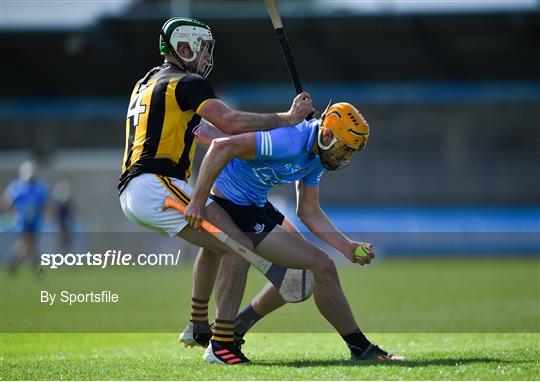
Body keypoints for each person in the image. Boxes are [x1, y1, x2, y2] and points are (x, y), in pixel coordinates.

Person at [118, 17, 313, 364]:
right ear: (183, 48)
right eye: (203, 47)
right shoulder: (189, 82)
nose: (207, 55)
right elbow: (231, 121)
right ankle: (223, 346)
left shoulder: (148, 81)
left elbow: (203, 129)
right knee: (238, 248)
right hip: (156, 185)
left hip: (145, 187)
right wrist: (287, 118)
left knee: (220, 240)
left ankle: (197, 325)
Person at [182, 102, 404, 363]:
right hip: (232, 207)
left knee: (301, 277)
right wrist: (198, 200)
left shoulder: (319, 157)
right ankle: (360, 348)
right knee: (322, 266)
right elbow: (223, 147)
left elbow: (308, 210)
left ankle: (234, 328)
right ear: (327, 136)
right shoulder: (288, 140)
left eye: (351, 152)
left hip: (257, 205)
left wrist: (345, 246)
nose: (346, 158)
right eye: (345, 149)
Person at [2, 160, 48, 275]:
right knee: (29, 244)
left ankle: (13, 264)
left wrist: (43, 215)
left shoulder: (39, 188)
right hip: (23, 221)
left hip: (34, 221)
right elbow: (7, 201)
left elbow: (43, 204)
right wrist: (12, 214)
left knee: (28, 245)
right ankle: (37, 270)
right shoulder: (17, 187)